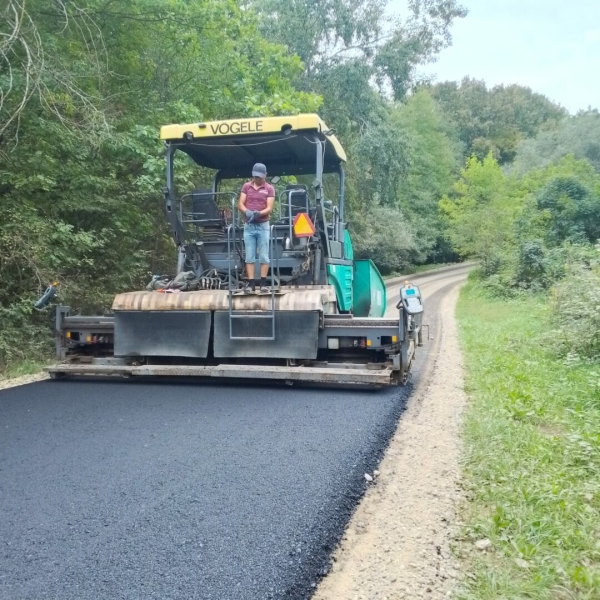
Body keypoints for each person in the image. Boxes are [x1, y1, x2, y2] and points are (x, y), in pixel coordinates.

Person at [237, 163, 275, 293]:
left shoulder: (269, 188)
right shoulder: (246, 186)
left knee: (264, 255)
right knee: (249, 255)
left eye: (259, 177)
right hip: (249, 226)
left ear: (265, 175)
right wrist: (247, 211)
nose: (257, 179)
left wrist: (259, 213)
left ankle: (263, 284)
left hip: (262, 226)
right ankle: (251, 284)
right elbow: (240, 203)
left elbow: (269, 207)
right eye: (255, 177)